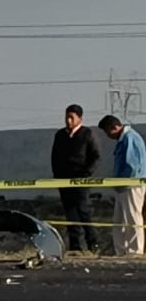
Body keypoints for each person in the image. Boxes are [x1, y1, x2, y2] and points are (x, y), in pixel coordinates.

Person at [50, 103, 101, 253]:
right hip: (64, 180)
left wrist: (86, 173)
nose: (68, 121)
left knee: (83, 210)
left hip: (81, 179)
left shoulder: (87, 134)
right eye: (67, 117)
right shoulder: (60, 135)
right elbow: (55, 157)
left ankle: (92, 243)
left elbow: (96, 156)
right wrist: (57, 176)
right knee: (70, 212)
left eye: (72, 117)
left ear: (80, 118)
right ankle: (75, 245)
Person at [99, 114, 146, 256]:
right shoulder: (124, 139)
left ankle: (135, 251)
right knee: (119, 220)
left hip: (131, 185)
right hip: (122, 186)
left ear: (114, 127)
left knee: (133, 218)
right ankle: (121, 250)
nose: (107, 135)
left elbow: (132, 166)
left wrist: (124, 180)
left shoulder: (130, 138)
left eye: (107, 131)